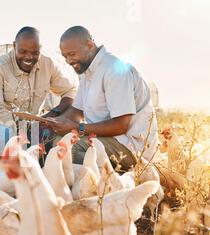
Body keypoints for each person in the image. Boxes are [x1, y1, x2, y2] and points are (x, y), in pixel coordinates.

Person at [42, 26, 158, 171]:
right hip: (106, 139)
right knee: (54, 140)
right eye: (65, 56)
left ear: (89, 45)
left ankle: (90, 191)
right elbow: (77, 111)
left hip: (130, 146)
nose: (69, 61)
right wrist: (54, 122)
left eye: (72, 54)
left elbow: (121, 125)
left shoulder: (114, 70)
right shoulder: (87, 72)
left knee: (71, 149)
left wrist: (77, 128)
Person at [0, 26, 78, 162]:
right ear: (14, 46)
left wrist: (54, 113)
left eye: (34, 53)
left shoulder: (48, 64)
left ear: (40, 50)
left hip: (33, 129)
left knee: (57, 142)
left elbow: (70, 91)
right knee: (3, 136)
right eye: (23, 51)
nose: (28, 57)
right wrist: (23, 131)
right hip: (2, 127)